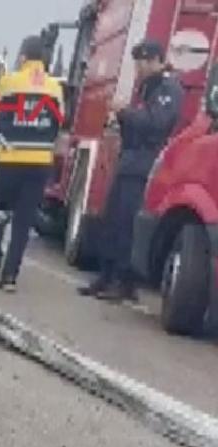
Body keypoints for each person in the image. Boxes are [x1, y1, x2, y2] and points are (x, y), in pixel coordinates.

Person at [79, 40, 182, 302]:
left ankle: (123, 281)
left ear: (155, 61)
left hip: (144, 164)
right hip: (129, 160)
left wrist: (125, 112)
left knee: (127, 224)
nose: (139, 69)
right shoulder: (146, 87)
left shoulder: (168, 89)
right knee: (112, 221)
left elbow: (157, 122)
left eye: (142, 63)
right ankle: (106, 276)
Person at [0, 36, 65, 292]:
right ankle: (10, 276)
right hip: (39, 162)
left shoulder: (8, 82)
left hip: (9, 158)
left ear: (24, 57)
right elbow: (60, 122)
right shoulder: (55, 87)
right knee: (23, 221)